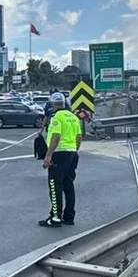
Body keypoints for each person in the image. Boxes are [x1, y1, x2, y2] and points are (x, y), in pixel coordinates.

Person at [39, 92, 82, 228]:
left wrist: (48, 156)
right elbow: (79, 137)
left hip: (59, 154)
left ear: (52, 104)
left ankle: (55, 217)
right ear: (64, 103)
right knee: (69, 185)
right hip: (72, 153)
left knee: (54, 185)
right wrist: (74, 149)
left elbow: (56, 137)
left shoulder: (57, 117)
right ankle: (69, 217)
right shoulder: (73, 117)